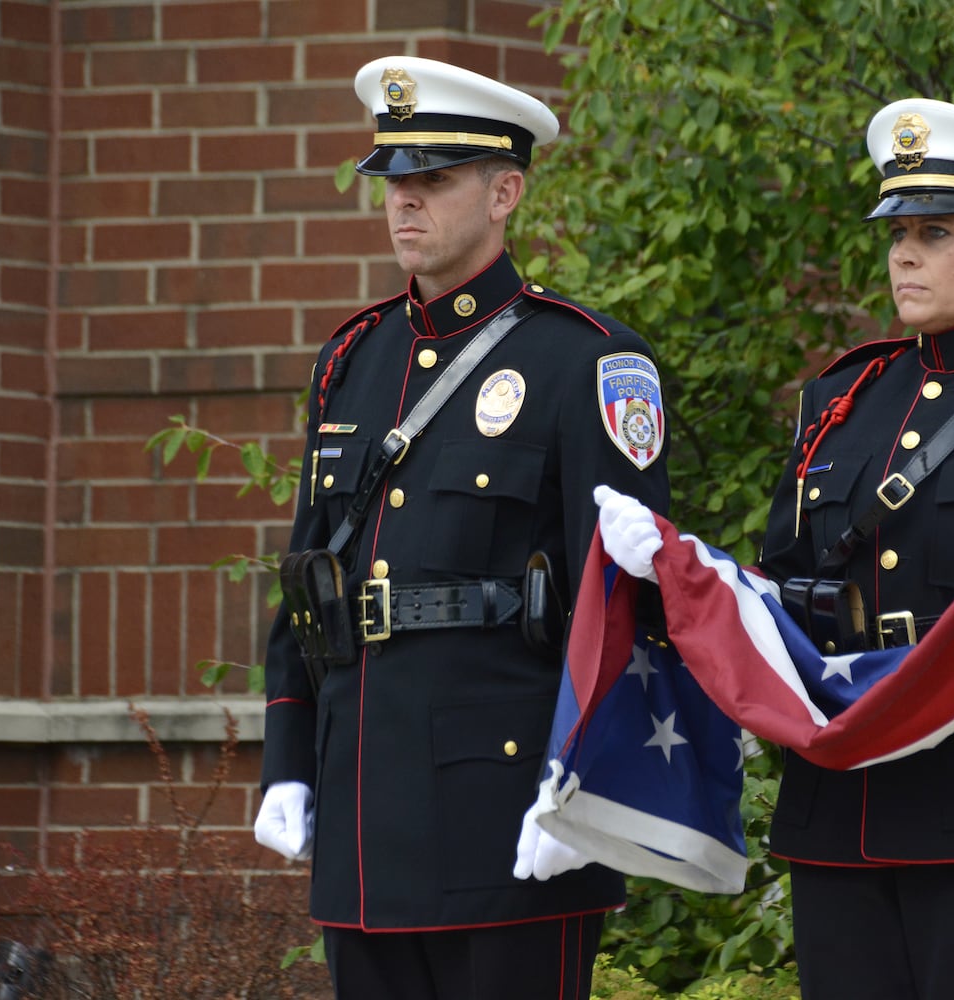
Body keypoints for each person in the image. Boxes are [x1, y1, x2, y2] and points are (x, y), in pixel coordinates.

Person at [595, 98, 954, 999]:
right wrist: (682, 573)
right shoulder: (843, 397)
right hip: (843, 809)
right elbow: (782, 589)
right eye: (898, 230)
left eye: (936, 232)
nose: (903, 253)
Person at [252, 55, 671, 1000]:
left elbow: (622, 598)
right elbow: (309, 579)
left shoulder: (585, 362)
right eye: (394, 182)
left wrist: (584, 785)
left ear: (504, 192)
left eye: (433, 181)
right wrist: (288, 759)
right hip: (363, 801)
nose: (405, 203)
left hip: (507, 802)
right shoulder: (353, 359)